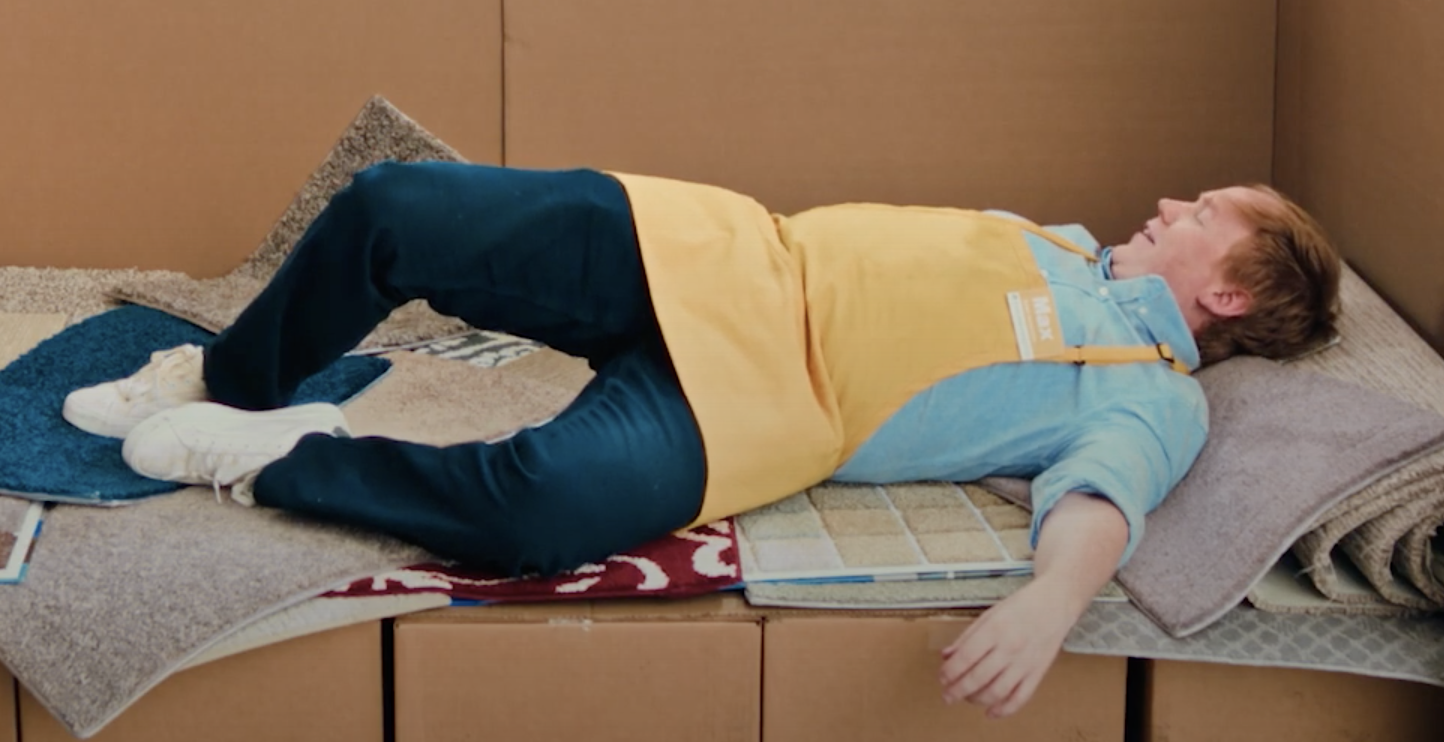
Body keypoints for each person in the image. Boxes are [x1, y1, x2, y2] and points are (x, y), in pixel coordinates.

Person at [62, 162, 1340, 718]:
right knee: (395, 204)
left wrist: (1051, 603)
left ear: (1229, 294)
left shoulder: (1153, 391)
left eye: (1204, 213)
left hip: (745, 408)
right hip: (706, 251)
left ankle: (274, 457)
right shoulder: (1056, 243)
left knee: (535, 515)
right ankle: (232, 380)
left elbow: (1104, 499)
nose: (1169, 202)